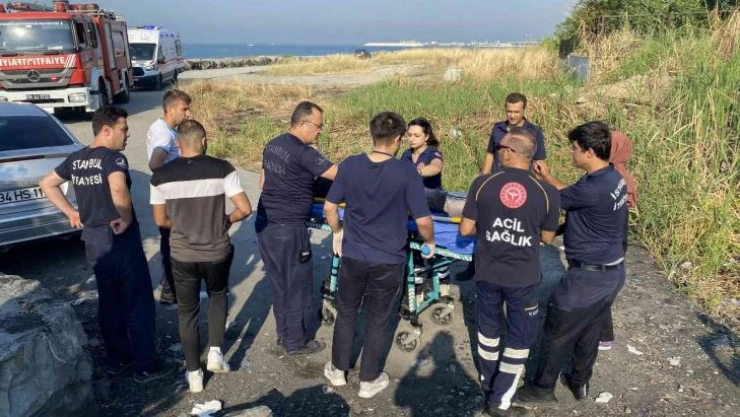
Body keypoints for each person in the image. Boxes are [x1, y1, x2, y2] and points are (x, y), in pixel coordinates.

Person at [39, 107, 173, 383]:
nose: (128, 134)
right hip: (118, 237)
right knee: (138, 300)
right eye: (124, 129)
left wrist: (71, 212)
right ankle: (146, 365)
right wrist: (125, 216)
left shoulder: (77, 159)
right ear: (106, 130)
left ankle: (117, 358)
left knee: (110, 300)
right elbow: (118, 187)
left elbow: (47, 183)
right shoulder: (114, 158)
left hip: (94, 240)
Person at [323, 111, 436, 399]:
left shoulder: (350, 165)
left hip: (354, 255)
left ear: (371, 134)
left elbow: (329, 207)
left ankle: (337, 370)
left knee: (347, 311)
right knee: (378, 318)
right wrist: (430, 241)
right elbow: (423, 220)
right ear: (398, 138)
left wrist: (338, 231)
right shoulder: (406, 172)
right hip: (388, 259)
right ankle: (369, 380)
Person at [516, 121, 628, 405]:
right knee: (589, 330)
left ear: (589, 152)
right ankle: (579, 381)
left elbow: (555, 199)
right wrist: (549, 177)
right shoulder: (611, 178)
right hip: (612, 272)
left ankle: (542, 389)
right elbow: (571, 195)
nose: (571, 152)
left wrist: (533, 183)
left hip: (587, 278)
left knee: (556, 331)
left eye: (575, 148)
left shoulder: (592, 188)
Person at [458, 127, 560, 417]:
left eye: (500, 146)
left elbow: (465, 229)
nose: (497, 150)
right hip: (523, 277)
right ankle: (500, 400)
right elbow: (548, 237)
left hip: (487, 273)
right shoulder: (547, 192)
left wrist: (490, 228)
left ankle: (488, 384)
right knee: (519, 338)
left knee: (488, 332)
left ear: (511, 151)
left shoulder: (482, 183)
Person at [150, 120, 253, 393]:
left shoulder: (160, 176)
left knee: (187, 311)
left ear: (177, 144)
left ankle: (194, 373)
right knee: (218, 295)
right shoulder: (222, 168)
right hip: (216, 251)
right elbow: (244, 208)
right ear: (204, 141)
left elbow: (160, 220)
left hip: (182, 254)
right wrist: (226, 220)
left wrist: (184, 226)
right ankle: (216, 351)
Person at [255, 101, 338, 355]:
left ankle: (284, 335)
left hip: (266, 224)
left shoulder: (273, 145)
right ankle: (297, 342)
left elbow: (262, 182)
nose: (320, 131)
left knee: (280, 284)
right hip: (289, 228)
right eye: (318, 126)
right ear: (303, 124)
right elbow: (340, 175)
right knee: (298, 287)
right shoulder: (304, 152)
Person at [399, 118, 459, 300]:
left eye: (416, 135)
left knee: (437, 249)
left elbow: (436, 167)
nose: (411, 139)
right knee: (414, 249)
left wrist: (418, 172)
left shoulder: (432, 152)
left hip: (432, 205)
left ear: (426, 137)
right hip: (412, 208)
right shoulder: (406, 155)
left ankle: (444, 283)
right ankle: (416, 288)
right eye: (409, 135)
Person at [146, 89, 192, 305]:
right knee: (174, 243)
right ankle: (170, 289)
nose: (188, 113)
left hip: (168, 196)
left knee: (171, 243)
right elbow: (155, 163)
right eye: (184, 109)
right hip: (171, 199)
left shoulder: (161, 128)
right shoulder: (164, 134)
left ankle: (170, 287)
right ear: (171, 109)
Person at [598, 129, 638, 351]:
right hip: (616, 238)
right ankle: (602, 333)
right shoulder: (621, 175)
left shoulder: (610, 176)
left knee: (598, 286)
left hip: (607, 239)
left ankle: (603, 335)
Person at [482, 92, 547, 175]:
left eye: (516, 112)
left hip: (522, 180)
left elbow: (539, 161)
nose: (512, 116)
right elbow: (490, 153)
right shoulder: (497, 128)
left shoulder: (534, 132)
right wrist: (484, 178)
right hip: (498, 178)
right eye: (509, 111)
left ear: (524, 110)